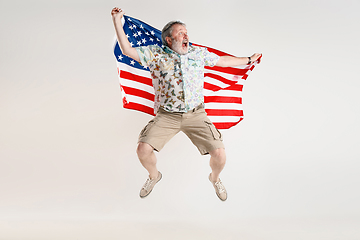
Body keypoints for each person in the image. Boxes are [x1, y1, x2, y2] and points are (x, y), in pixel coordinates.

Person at [111, 7, 261, 201]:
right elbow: (127, 50)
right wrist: (117, 20)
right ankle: (154, 176)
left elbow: (222, 62)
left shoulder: (197, 53)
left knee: (220, 154)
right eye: (180, 32)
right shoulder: (155, 54)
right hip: (167, 115)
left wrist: (248, 59)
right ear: (168, 39)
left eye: (186, 32)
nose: (185, 35)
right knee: (142, 149)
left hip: (196, 114)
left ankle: (214, 178)